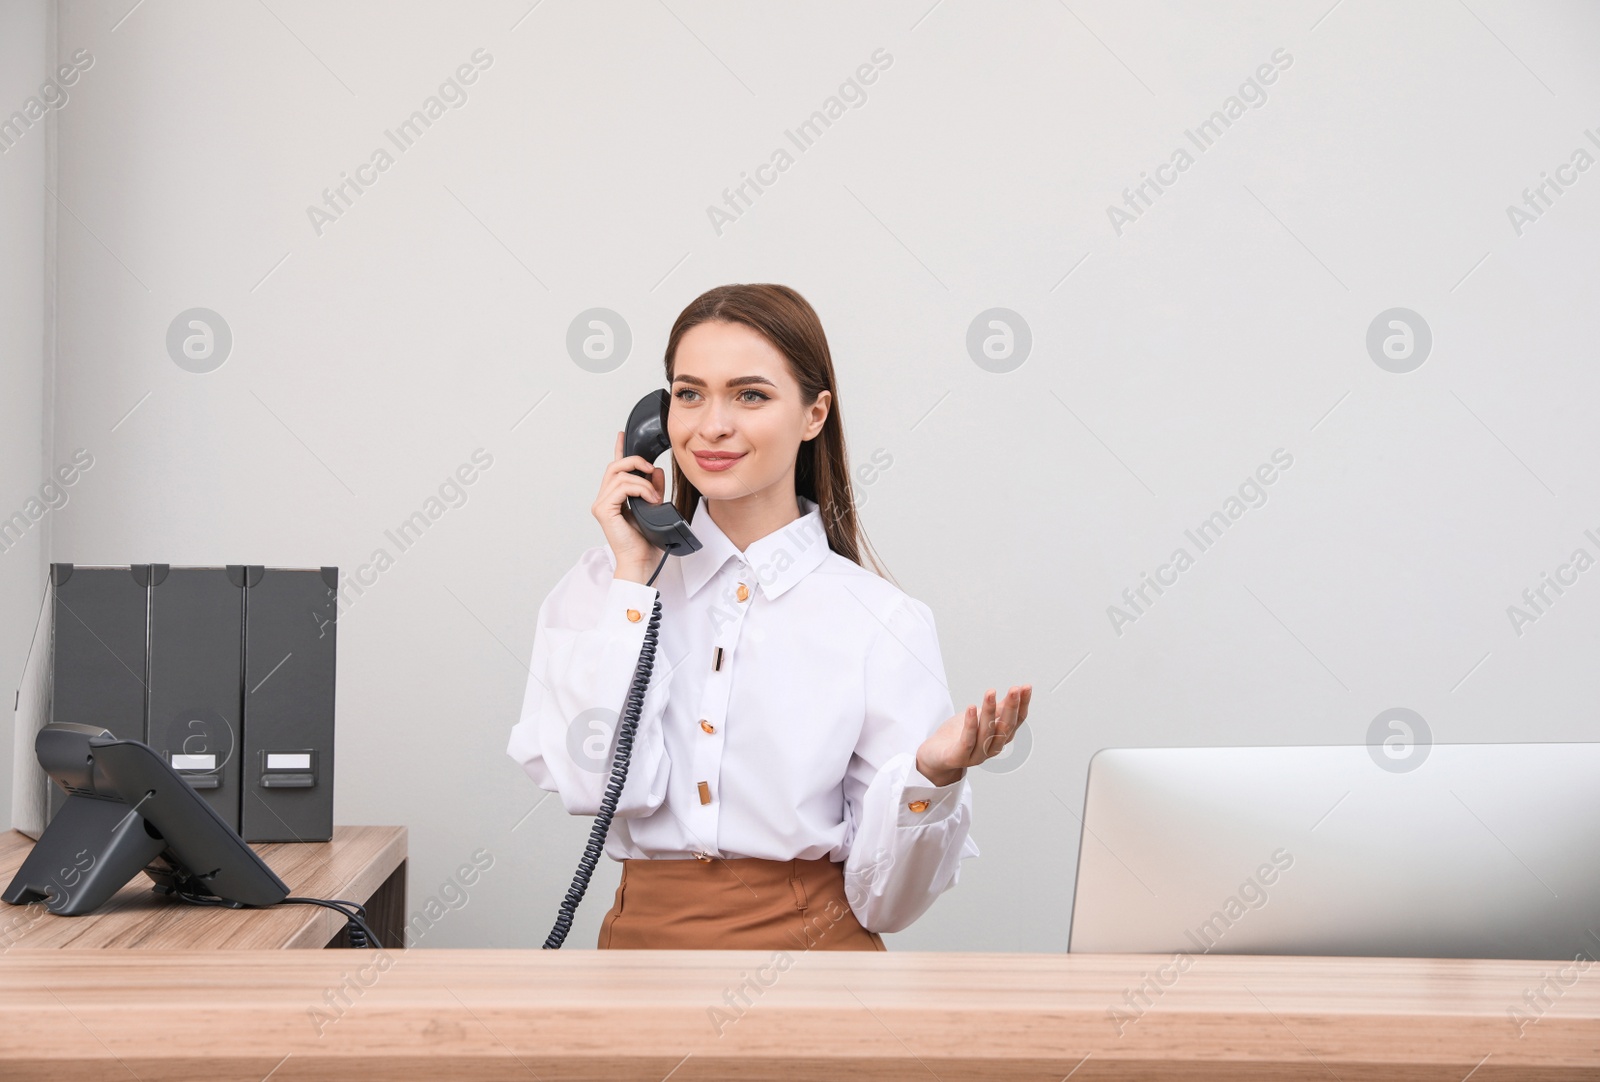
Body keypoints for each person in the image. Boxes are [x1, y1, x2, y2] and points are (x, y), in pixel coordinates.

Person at [507, 283, 1031, 950]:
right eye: (689, 394)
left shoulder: (881, 620)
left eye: (750, 395)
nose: (711, 425)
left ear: (814, 414)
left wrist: (930, 775)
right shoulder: (606, 589)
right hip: (640, 956)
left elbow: (889, 905)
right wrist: (633, 583)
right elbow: (599, 784)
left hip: (815, 961)